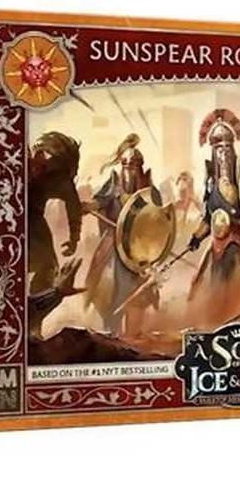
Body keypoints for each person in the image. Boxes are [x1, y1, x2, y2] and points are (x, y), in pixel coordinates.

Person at [187, 109, 240, 324]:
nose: (222, 155)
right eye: (218, 150)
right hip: (218, 245)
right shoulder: (211, 183)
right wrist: (197, 236)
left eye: (226, 149)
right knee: (210, 285)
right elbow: (209, 217)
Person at [82, 134, 158, 334]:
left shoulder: (148, 189)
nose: (130, 170)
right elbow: (101, 201)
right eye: (126, 165)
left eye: (134, 166)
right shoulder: (114, 185)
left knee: (139, 293)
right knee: (108, 287)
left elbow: (157, 219)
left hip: (138, 248)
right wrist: (89, 206)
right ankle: (110, 328)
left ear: (140, 167)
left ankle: (133, 336)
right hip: (114, 245)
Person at [28, 132, 82, 293]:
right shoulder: (22, 161)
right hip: (22, 220)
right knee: (47, 266)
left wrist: (74, 238)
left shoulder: (57, 178)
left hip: (31, 222)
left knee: (47, 267)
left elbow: (73, 206)